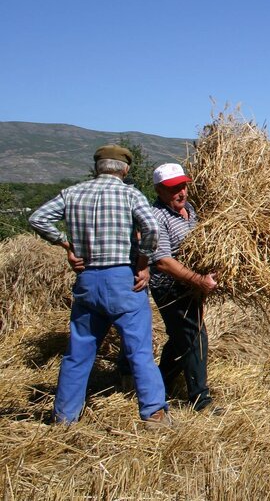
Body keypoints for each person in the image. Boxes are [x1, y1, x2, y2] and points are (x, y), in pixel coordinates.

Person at [28, 145, 170, 426]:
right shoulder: (129, 194)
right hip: (123, 281)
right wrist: (143, 263)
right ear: (125, 169)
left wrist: (66, 244)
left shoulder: (73, 193)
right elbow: (152, 229)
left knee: (78, 353)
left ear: (96, 167)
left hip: (88, 281)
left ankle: (64, 418)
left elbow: (37, 218)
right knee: (139, 351)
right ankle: (153, 413)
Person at [148, 163, 219, 412]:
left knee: (181, 338)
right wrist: (198, 280)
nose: (181, 192)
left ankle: (158, 385)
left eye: (183, 186)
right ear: (158, 190)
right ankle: (201, 399)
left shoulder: (190, 210)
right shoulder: (156, 217)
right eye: (173, 189)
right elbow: (163, 262)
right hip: (169, 287)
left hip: (189, 286)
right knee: (194, 336)